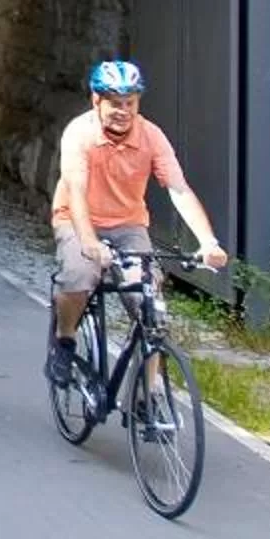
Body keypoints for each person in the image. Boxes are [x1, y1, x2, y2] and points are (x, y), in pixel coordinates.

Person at [45, 58, 228, 385]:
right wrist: (88, 242)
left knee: (148, 302)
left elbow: (179, 189)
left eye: (130, 103)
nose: (123, 110)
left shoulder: (151, 136)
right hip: (77, 218)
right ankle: (65, 339)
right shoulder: (79, 133)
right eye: (115, 103)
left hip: (128, 225)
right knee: (78, 274)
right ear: (96, 101)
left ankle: (148, 393)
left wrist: (208, 242)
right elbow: (76, 191)